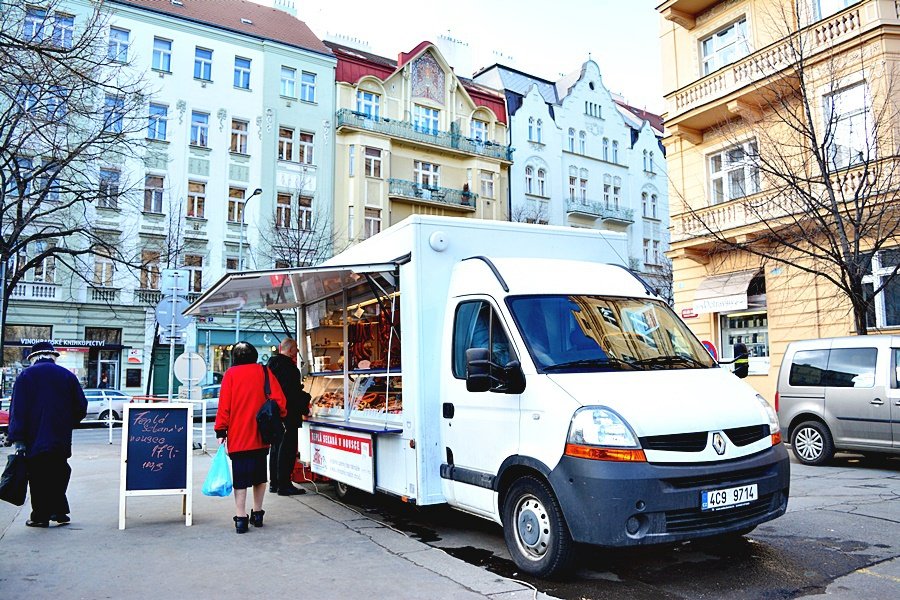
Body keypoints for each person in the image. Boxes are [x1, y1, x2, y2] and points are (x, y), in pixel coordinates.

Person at [8, 341, 87, 528]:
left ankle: (40, 516)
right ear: (53, 356)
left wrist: (17, 437)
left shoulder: (26, 376)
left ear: (33, 358)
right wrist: (68, 423)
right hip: (60, 437)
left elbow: (18, 410)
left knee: (38, 475)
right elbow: (81, 407)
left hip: (34, 438)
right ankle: (59, 512)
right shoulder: (67, 376)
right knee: (59, 471)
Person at [214, 342, 287, 534]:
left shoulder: (230, 375)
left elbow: (224, 406)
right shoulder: (264, 372)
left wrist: (221, 431)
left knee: (240, 478)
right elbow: (280, 401)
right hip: (261, 434)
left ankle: (240, 517)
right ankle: (258, 513)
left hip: (238, 436)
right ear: (254, 355)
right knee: (259, 476)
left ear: (234, 358)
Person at [266, 338, 311, 496]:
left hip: (273, 414)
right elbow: (293, 394)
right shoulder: (291, 369)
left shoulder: (269, 366)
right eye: (296, 349)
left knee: (276, 448)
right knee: (288, 449)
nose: (297, 352)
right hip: (289, 414)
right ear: (291, 351)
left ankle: (275, 483)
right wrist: (306, 405)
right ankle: (284, 485)